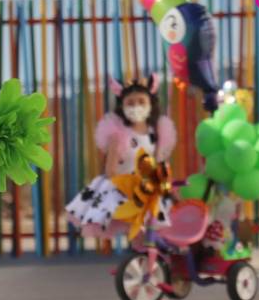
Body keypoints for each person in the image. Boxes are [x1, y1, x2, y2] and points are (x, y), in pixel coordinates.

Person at [65, 74, 176, 238]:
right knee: (134, 227)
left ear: (151, 104)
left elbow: (158, 164)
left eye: (141, 101)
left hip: (148, 190)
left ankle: (148, 258)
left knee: (156, 231)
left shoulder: (157, 133)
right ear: (122, 106)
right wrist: (130, 187)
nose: (135, 106)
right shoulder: (118, 135)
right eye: (130, 103)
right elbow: (111, 170)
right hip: (121, 188)